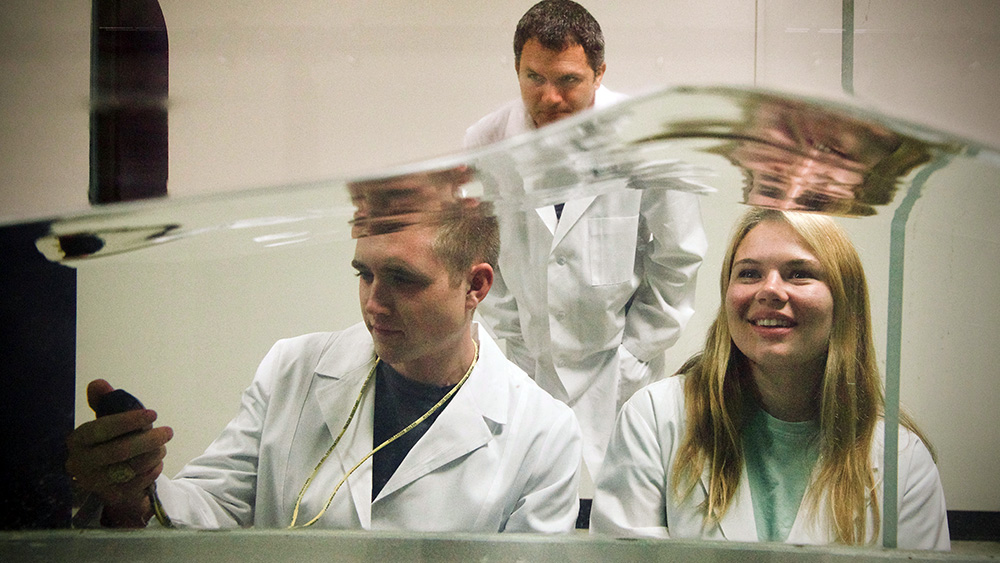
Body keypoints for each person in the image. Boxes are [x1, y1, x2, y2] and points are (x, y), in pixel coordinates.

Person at [65, 178, 583, 532]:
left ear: (476, 285)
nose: (374, 303)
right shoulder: (292, 369)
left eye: (402, 279)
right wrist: (134, 491)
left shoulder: (543, 433)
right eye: (365, 274)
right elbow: (218, 508)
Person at [590, 207, 950, 550]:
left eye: (798, 273)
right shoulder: (655, 418)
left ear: (844, 300)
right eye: (749, 273)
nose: (770, 290)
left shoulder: (903, 461)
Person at [464, 0, 706, 483]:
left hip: (618, 374)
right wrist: (521, 342)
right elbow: (480, 254)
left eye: (569, 80)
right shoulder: (485, 142)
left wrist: (635, 355)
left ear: (599, 74)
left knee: (616, 513)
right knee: (534, 508)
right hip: (529, 369)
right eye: (534, 77)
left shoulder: (647, 137)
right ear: (516, 70)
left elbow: (680, 255)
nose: (550, 97)